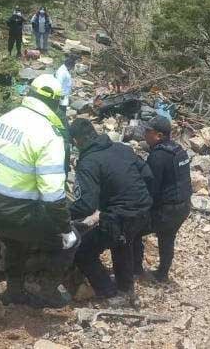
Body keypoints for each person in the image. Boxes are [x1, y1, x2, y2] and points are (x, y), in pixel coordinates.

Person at [0, 74, 74, 308]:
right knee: (70, 242)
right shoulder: (49, 135)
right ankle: (46, 290)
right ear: (55, 103)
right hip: (15, 212)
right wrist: (65, 229)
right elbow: (52, 196)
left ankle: (14, 292)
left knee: (15, 243)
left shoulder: (5, 119)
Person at [69, 118, 152, 301]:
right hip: (144, 210)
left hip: (121, 216)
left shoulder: (88, 162)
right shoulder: (122, 148)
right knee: (121, 241)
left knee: (82, 250)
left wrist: (63, 213)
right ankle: (125, 287)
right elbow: (147, 174)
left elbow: (86, 205)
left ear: (76, 141)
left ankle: (108, 292)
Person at [133, 116, 191, 282]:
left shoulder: (158, 156)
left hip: (167, 210)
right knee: (167, 237)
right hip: (183, 207)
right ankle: (163, 273)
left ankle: (135, 269)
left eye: (147, 131)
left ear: (158, 135)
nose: (144, 134)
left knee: (134, 230)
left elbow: (151, 188)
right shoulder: (178, 150)